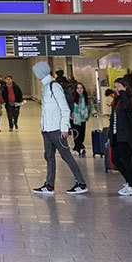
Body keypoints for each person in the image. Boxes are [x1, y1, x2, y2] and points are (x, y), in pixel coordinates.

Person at [31, 61, 88, 195]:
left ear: (40, 72)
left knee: (66, 156)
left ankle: (81, 183)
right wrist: (43, 127)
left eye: (36, 72)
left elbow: (64, 108)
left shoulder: (54, 86)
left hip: (57, 129)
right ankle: (49, 185)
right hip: (47, 130)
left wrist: (64, 128)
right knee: (49, 156)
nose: (35, 75)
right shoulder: (45, 87)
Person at [110, 76, 132, 196]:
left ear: (125, 88)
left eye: (119, 87)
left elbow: (126, 106)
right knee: (115, 159)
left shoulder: (129, 100)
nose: (117, 89)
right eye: (115, 87)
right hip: (117, 135)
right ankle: (128, 181)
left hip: (126, 136)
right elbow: (113, 119)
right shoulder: (117, 101)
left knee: (127, 160)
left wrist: (122, 93)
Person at [69, 81, 93, 157]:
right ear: (75, 89)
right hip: (74, 118)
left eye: (81, 88)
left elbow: (91, 107)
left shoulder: (86, 98)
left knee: (82, 135)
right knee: (76, 134)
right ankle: (79, 148)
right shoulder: (72, 98)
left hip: (83, 119)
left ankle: (78, 148)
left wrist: (94, 113)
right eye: (78, 88)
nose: (79, 89)